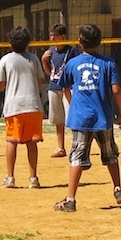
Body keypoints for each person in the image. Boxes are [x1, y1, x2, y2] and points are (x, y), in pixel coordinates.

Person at [54, 24, 121, 212]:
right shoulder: (108, 63)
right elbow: (116, 90)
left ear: (79, 42)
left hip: (81, 119)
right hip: (103, 118)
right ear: (100, 41)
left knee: (77, 157)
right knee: (110, 154)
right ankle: (118, 189)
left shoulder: (72, 63)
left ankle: (70, 200)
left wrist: (74, 106)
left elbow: (65, 88)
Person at [0, 27, 44, 189]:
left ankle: (10, 178)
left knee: (12, 141)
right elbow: (38, 83)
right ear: (27, 42)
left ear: (11, 42)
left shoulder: (6, 60)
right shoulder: (34, 59)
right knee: (32, 142)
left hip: (14, 106)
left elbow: (0, 85)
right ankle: (33, 179)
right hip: (33, 105)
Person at [41, 24, 79, 158]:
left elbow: (75, 69)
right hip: (54, 87)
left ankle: (77, 146)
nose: (51, 38)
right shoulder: (50, 51)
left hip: (68, 88)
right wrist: (43, 60)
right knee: (58, 120)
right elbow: (48, 72)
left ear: (63, 36)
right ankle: (60, 147)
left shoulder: (71, 50)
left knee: (73, 118)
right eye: (50, 35)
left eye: (54, 35)